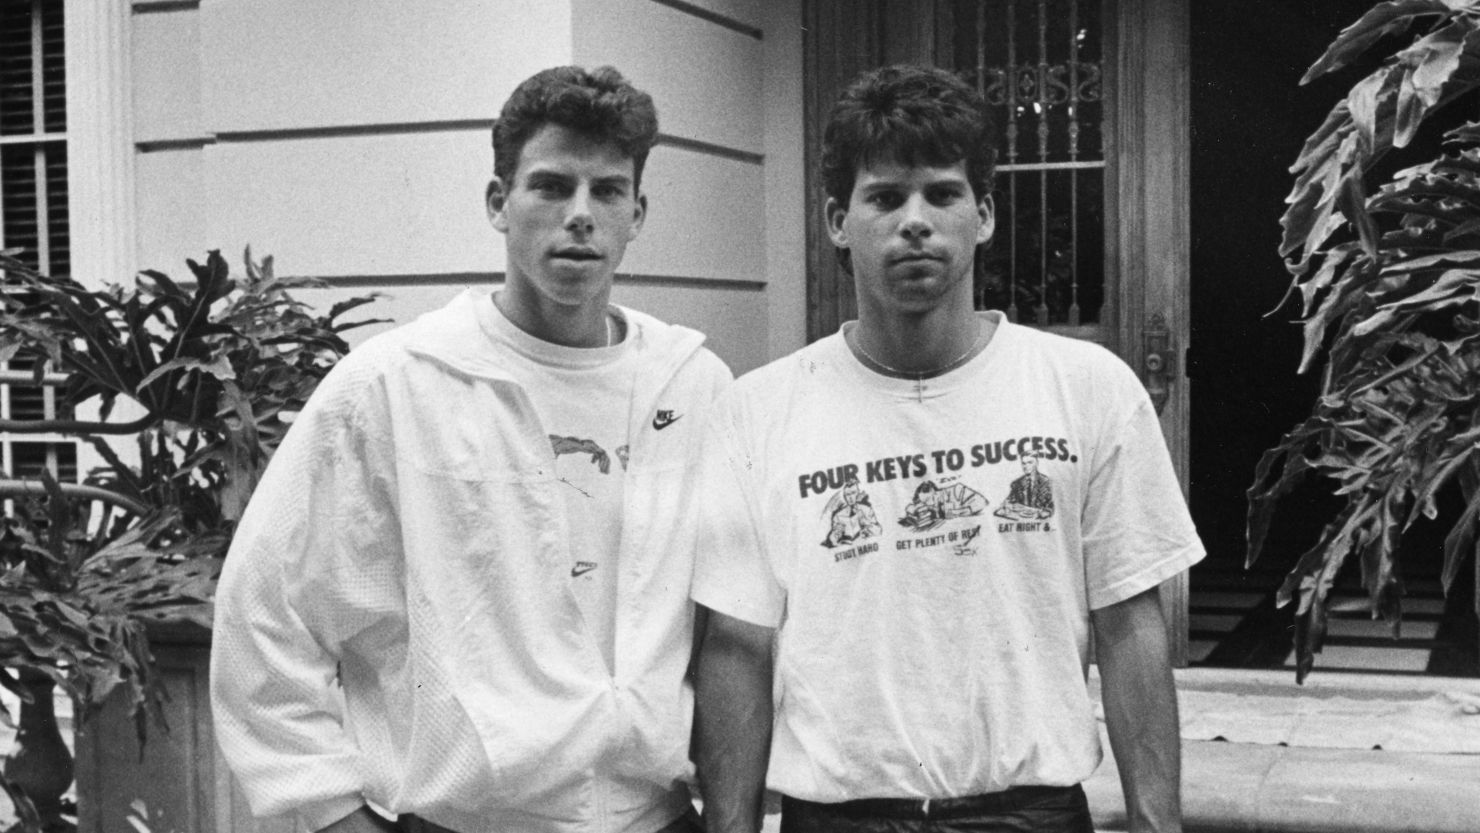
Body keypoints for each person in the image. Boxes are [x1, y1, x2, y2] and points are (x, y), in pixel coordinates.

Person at [211, 65, 731, 833]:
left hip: (655, 818)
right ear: (499, 202)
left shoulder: (691, 386)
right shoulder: (397, 385)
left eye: (607, 191)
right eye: (551, 186)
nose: (579, 215)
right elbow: (263, 617)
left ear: (638, 211)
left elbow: (734, 632)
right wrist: (327, 811)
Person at [691, 64, 1204, 833]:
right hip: (839, 817)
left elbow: (1130, 623)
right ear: (838, 219)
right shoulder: (758, 412)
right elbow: (739, 648)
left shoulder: (1086, 388)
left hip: (1028, 811)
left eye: (942, 192)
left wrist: (1158, 824)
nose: (915, 221)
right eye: (885, 197)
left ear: (985, 213)